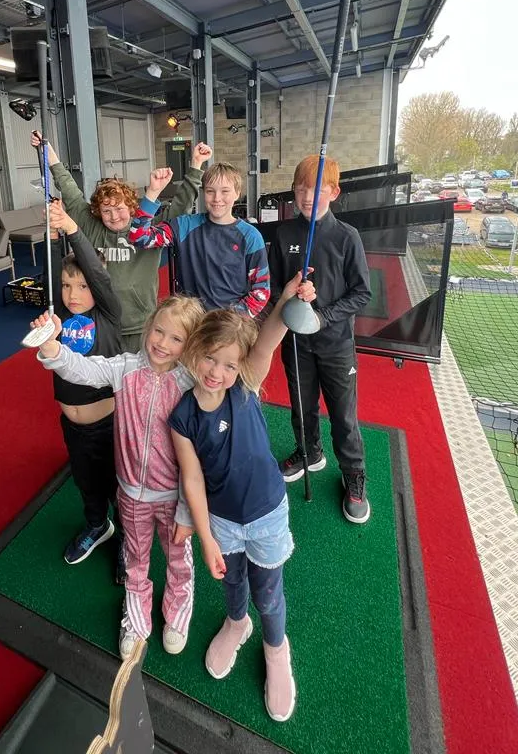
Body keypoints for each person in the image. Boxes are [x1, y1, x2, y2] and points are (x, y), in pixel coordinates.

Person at [29, 295, 206, 660]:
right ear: (148, 326)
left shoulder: (190, 383)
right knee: (135, 558)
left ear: (190, 345)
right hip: (129, 493)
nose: (162, 343)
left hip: (173, 497)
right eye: (159, 331)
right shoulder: (125, 368)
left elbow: (200, 454)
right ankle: (136, 615)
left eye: (176, 339)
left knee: (178, 557)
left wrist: (189, 510)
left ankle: (178, 610)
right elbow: (84, 370)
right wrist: (53, 349)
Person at [169, 273, 305, 723]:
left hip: (266, 513)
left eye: (229, 364)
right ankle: (235, 622)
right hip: (222, 522)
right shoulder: (182, 416)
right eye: (210, 358)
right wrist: (206, 538)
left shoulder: (245, 386)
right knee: (232, 584)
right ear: (194, 351)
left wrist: (287, 298)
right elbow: (191, 480)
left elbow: (266, 342)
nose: (216, 372)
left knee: (268, 594)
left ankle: (276, 649)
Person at [31, 132, 211, 351]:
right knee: (103, 379)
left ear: (132, 208)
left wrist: (196, 166)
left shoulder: (149, 231)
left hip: (140, 323)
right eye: (106, 211)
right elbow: (69, 190)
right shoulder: (92, 226)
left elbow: (181, 205)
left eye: (119, 209)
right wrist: (47, 152)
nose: (114, 217)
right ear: (98, 212)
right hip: (100, 321)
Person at [268, 154, 372, 524]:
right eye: (300, 189)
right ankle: (308, 451)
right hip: (296, 343)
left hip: (335, 344)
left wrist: (321, 313)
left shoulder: (347, 237)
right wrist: (292, 293)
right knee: (301, 406)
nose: (307, 196)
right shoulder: (283, 235)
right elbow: (275, 288)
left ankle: (353, 474)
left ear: (334, 192)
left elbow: (362, 293)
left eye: (316, 189)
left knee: (344, 415)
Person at [44, 199, 125, 582]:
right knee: (85, 481)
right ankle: (97, 526)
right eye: (66, 285)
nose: (73, 293)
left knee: (117, 487)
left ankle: (127, 539)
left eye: (82, 286)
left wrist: (71, 228)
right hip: (72, 425)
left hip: (107, 424)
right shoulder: (61, 317)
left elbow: (93, 269)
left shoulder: (108, 313)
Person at [128, 161, 270, 319]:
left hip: (229, 328)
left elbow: (261, 291)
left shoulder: (250, 236)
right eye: (210, 191)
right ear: (203, 193)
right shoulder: (184, 226)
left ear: (237, 193)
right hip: (189, 324)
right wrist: (153, 192)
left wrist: (227, 320)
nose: (217, 198)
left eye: (225, 191)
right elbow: (139, 236)